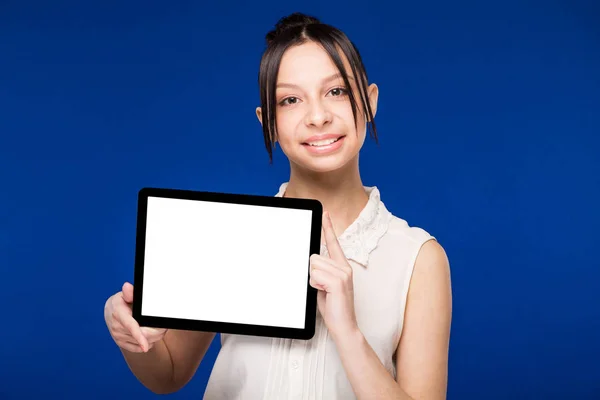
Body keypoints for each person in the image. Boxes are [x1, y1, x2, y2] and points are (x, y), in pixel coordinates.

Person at [104, 12, 452, 400]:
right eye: (290, 100)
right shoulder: (228, 236)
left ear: (369, 102)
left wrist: (348, 333)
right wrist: (127, 329)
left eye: (336, 91)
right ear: (267, 121)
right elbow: (166, 374)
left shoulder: (418, 258)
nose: (318, 116)